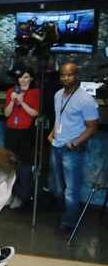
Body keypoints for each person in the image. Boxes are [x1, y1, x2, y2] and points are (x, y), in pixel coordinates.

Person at [49, 62, 99, 234]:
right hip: (56, 145)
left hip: (73, 150)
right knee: (56, 187)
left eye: (69, 74)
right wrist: (52, 132)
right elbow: (60, 117)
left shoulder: (85, 99)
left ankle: (68, 222)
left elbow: (92, 126)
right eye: (63, 74)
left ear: (76, 75)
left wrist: (75, 143)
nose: (65, 78)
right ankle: (66, 213)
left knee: (71, 190)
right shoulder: (57, 95)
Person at [3, 68, 40, 209]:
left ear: (31, 79)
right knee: (10, 166)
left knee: (24, 167)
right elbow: (7, 114)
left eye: (26, 77)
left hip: (26, 133)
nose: (23, 80)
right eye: (20, 78)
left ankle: (21, 196)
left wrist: (22, 102)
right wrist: (13, 100)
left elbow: (34, 113)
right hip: (11, 131)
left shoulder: (35, 92)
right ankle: (10, 195)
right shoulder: (11, 91)